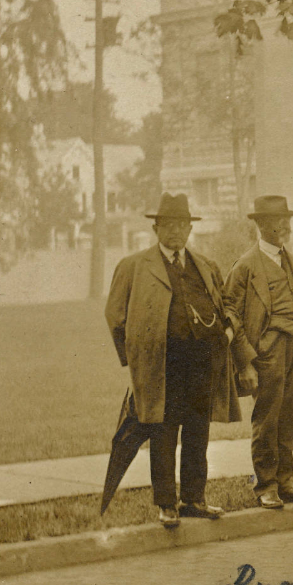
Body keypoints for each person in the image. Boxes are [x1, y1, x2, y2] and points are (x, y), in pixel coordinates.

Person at [106, 193, 245, 527]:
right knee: (164, 432)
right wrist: (135, 359)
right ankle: (166, 503)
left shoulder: (205, 265)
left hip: (202, 363)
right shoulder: (134, 266)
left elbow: (228, 305)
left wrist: (225, 335)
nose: (176, 231)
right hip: (162, 365)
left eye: (182, 224)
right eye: (168, 224)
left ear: (189, 228)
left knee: (198, 431)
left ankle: (194, 499)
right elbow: (115, 315)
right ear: (156, 228)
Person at [224, 195, 293, 510]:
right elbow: (230, 313)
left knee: (291, 416)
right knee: (267, 418)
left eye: (287, 220)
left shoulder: (289, 259)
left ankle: (286, 482)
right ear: (263, 225)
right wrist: (245, 362)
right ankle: (265, 485)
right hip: (267, 352)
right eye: (279, 221)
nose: (286, 226)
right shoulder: (246, 265)